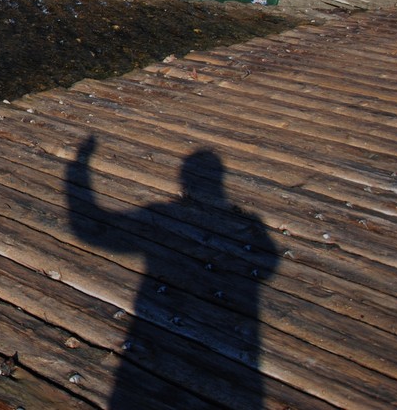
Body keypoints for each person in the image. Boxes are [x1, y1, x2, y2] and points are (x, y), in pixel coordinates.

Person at [66, 135, 278, 408]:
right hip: (236, 339)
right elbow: (267, 266)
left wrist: (78, 166)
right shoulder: (250, 225)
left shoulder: (162, 214)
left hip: (157, 328)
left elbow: (89, 230)